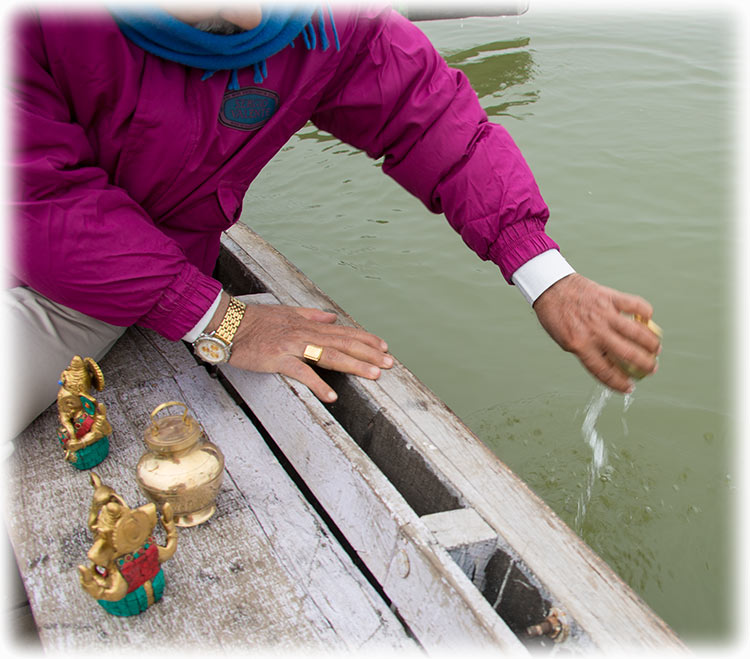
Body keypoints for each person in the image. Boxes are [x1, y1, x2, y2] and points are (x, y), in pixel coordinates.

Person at [7, 4, 661, 441]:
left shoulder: (325, 25)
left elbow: (429, 116)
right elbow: (39, 197)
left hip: (120, 279)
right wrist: (222, 321)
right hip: (45, 276)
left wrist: (544, 271)